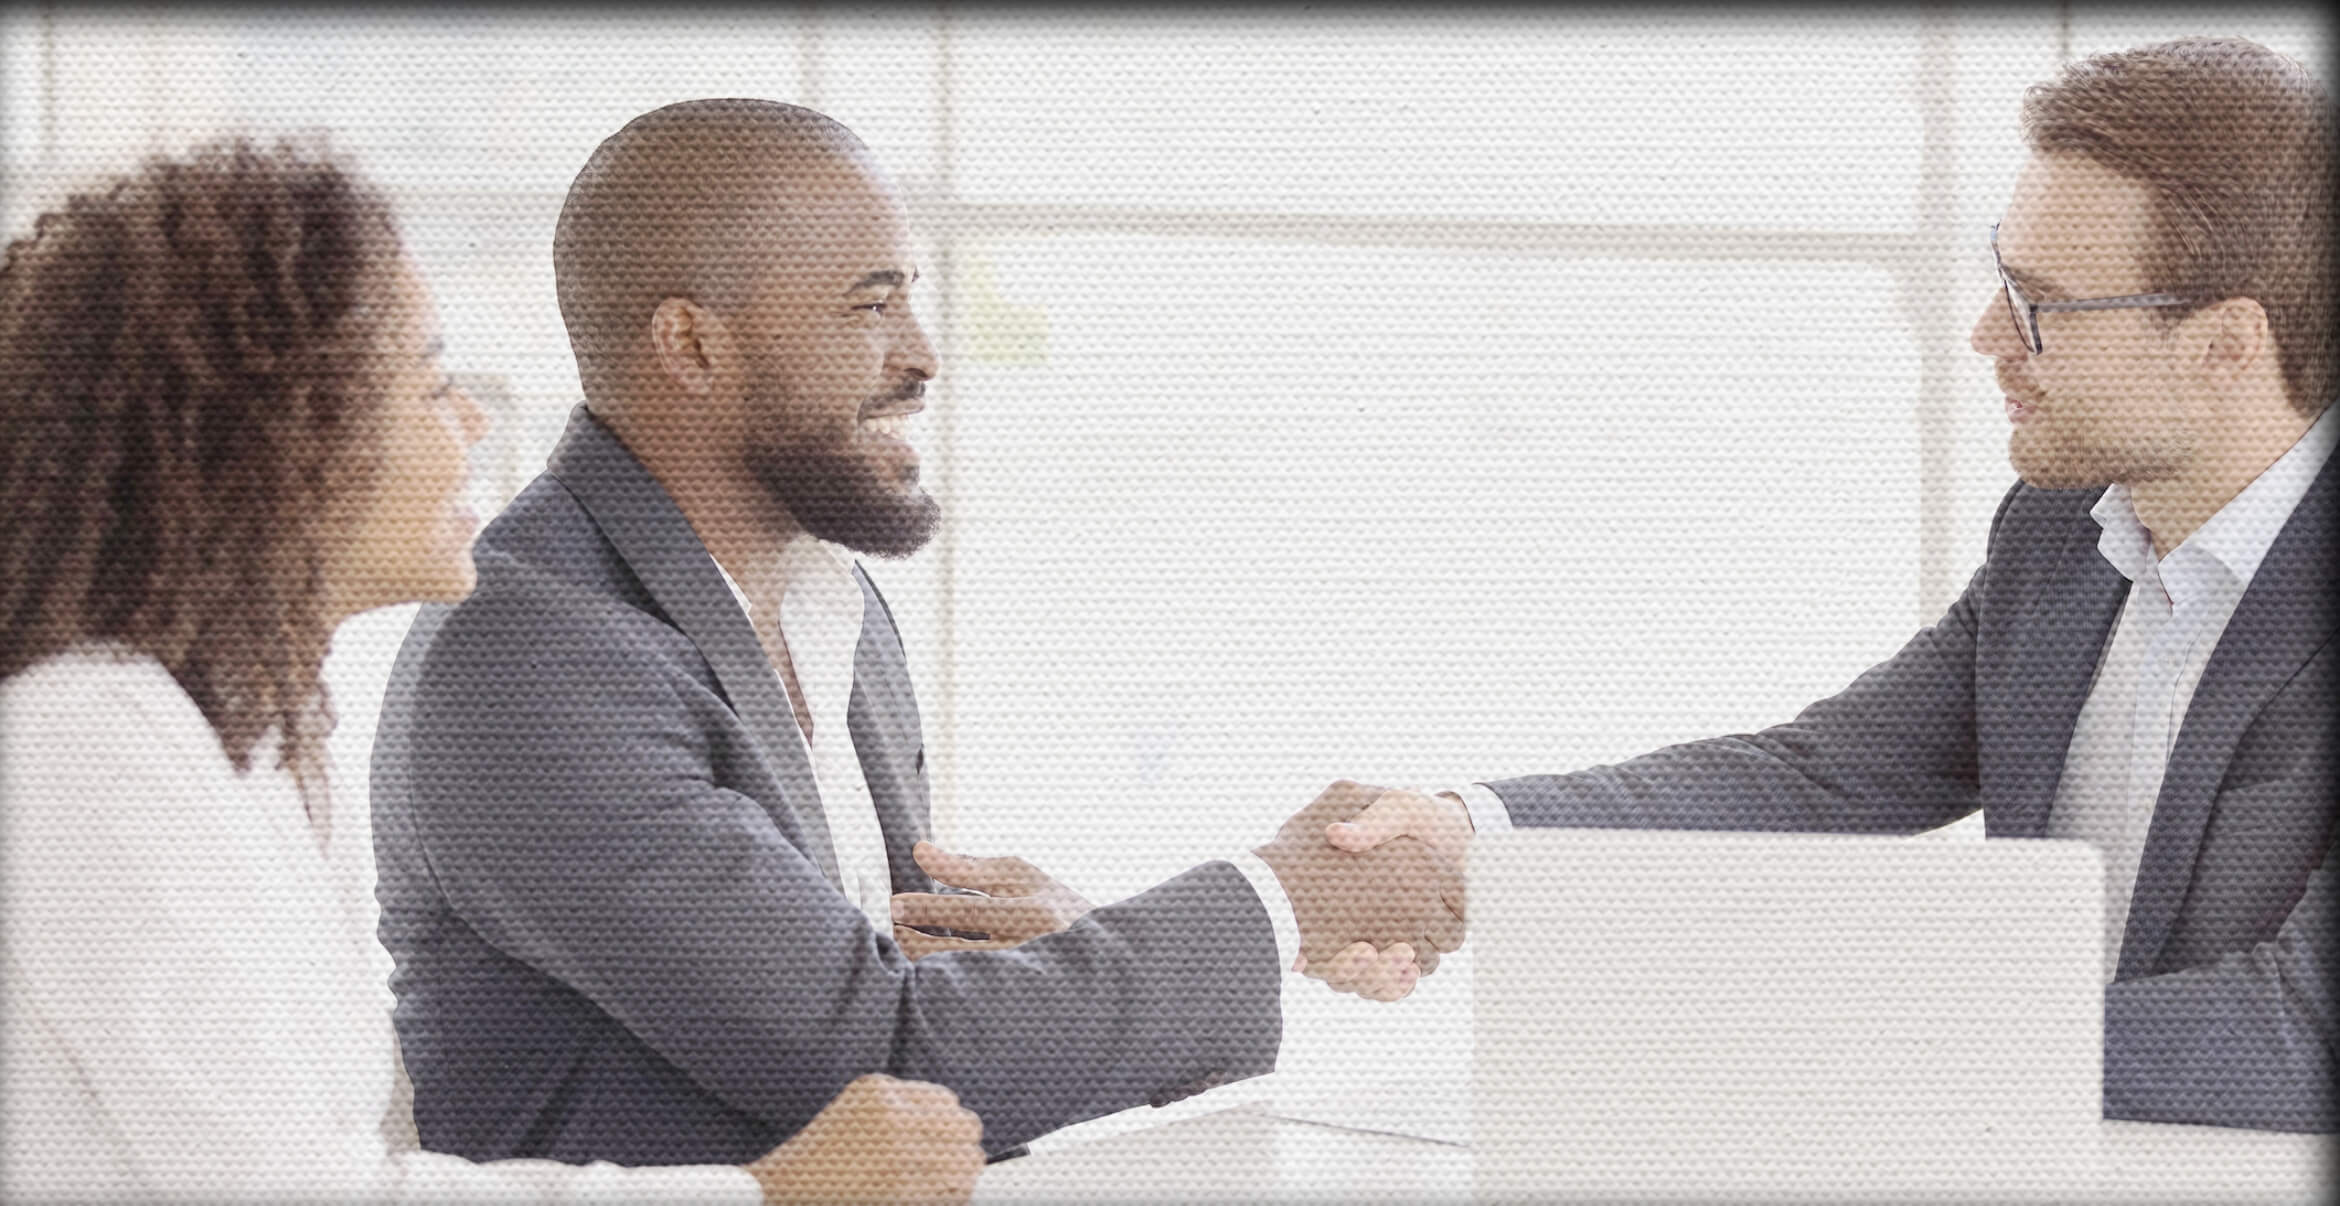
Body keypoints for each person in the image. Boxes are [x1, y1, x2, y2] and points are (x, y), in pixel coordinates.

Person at [369, 99, 1464, 1169]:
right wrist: (1284, 901)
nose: (925, 354)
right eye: (870, 305)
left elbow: (912, 1003)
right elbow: (881, 1056)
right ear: (693, 345)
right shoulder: (530, 654)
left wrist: (1079, 941)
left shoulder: (832, 605)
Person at [1282, 37, 2336, 1133]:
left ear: (2226, 345)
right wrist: (1469, 840)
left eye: (2041, 308)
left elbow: (2303, 1037)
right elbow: (1823, 777)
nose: (1985, 335)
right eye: (1998, 277)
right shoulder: (2060, 533)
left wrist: (1811, 1030)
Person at [0, 136, 988, 1203]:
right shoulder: (92, 743)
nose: (471, 420)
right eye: (428, 386)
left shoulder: (262, 746)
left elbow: (364, 1160)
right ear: (269, 441)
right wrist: (765, 1194)